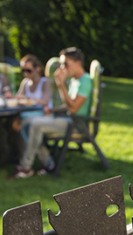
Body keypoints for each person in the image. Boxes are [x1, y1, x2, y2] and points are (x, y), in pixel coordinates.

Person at [10, 47, 92, 179]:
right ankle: (48, 163)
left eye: (66, 64)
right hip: (68, 119)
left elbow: (74, 108)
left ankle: (25, 167)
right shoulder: (75, 80)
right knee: (27, 123)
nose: (63, 68)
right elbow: (68, 104)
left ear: (77, 63)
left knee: (35, 124)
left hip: (76, 124)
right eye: (61, 64)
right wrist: (53, 110)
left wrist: (61, 85)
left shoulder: (85, 81)